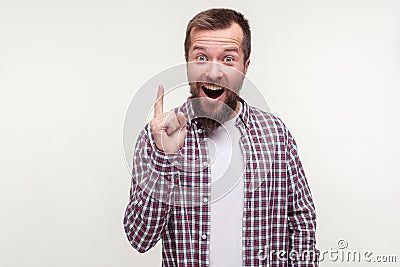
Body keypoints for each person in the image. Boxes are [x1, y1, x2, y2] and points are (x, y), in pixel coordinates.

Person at [123, 8, 318, 267]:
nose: (213, 73)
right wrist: (165, 160)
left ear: (245, 66)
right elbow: (140, 239)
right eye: (201, 57)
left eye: (228, 59)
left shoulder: (276, 134)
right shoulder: (158, 136)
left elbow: (302, 222)